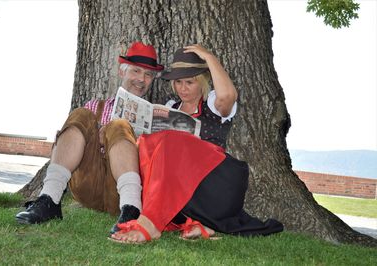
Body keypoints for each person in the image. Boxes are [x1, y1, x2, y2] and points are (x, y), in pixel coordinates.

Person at [110, 44, 283, 244]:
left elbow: (227, 96)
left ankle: (150, 224)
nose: (183, 88)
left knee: (170, 140)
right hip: (183, 191)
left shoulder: (212, 102)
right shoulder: (170, 107)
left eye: (190, 82)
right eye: (178, 82)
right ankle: (196, 223)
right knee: (150, 142)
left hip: (215, 184)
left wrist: (210, 58)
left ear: (202, 81)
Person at [15, 42, 164, 234]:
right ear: (122, 72)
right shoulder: (96, 106)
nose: (141, 79)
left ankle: (132, 209)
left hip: (122, 191)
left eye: (148, 75)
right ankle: (49, 200)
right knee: (80, 114)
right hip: (87, 183)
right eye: (136, 71)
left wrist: (122, 135)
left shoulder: (153, 118)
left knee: (119, 125)